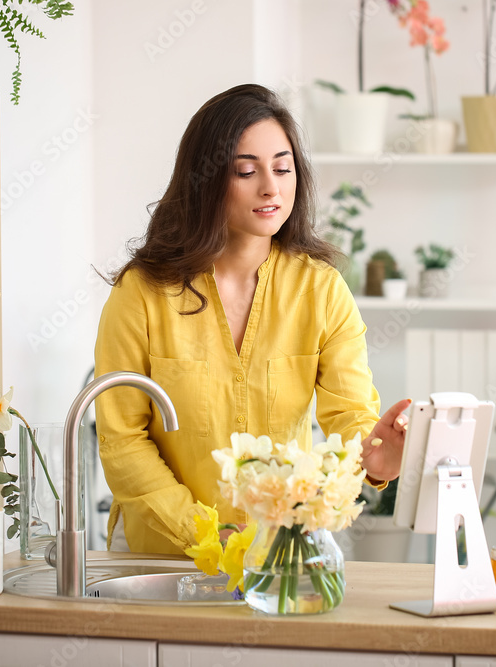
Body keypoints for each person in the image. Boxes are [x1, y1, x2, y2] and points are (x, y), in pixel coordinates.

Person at [94, 83, 410, 555]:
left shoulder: (321, 290)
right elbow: (123, 440)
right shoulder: (141, 293)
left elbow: (350, 417)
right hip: (162, 551)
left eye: (283, 168)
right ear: (205, 178)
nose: (271, 187)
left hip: (280, 550)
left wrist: (378, 458)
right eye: (246, 171)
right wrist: (201, 531)